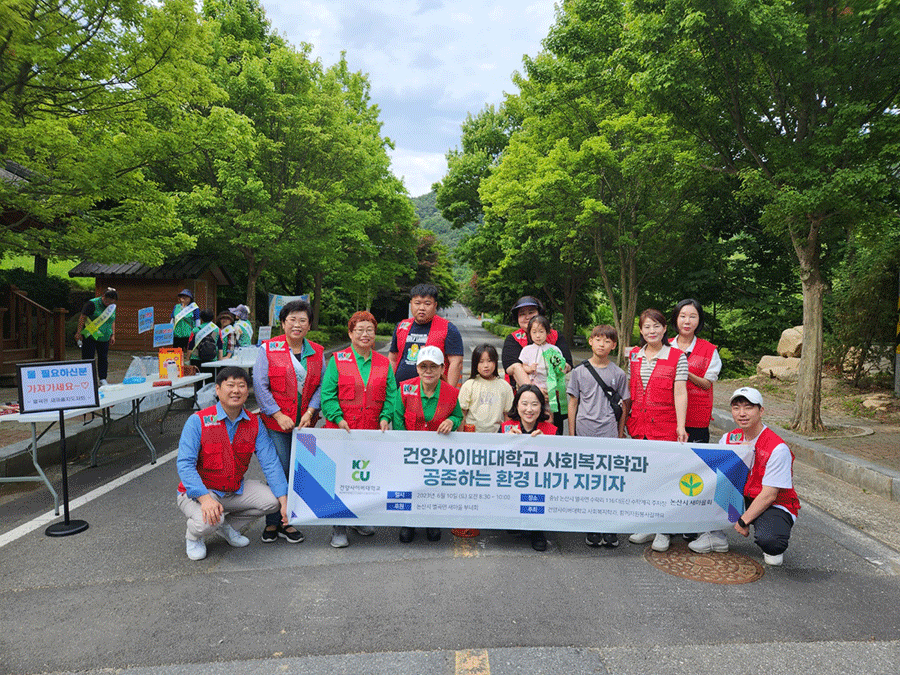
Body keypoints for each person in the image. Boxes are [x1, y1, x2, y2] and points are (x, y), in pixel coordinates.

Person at [175, 367, 289, 561]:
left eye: (241, 386)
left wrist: (284, 502)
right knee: (209, 521)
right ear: (218, 390)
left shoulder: (254, 423)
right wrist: (205, 499)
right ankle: (193, 537)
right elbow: (185, 464)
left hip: (232, 489)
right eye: (230, 385)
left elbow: (270, 462)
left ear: (247, 391)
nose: (236, 390)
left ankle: (226, 527)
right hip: (199, 492)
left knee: (272, 502)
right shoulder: (198, 421)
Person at [688, 387, 800, 566]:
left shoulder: (777, 448)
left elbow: (770, 494)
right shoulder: (728, 439)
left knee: (771, 543)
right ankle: (714, 535)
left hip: (773, 502)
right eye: (736, 408)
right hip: (743, 495)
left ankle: (770, 535)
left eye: (748, 407)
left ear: (761, 411)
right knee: (704, 486)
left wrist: (743, 520)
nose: (742, 414)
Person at [321, 310, 400, 548]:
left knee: (364, 477)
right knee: (341, 478)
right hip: (342, 430)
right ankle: (338, 527)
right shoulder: (337, 360)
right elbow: (327, 396)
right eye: (359, 330)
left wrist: (386, 416)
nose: (365, 335)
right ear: (350, 333)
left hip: (371, 430)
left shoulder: (383, 362)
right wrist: (337, 418)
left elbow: (391, 396)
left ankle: (358, 518)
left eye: (369, 330)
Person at [253, 299, 323, 546]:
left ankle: (289, 519)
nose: (297, 324)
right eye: (292, 320)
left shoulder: (317, 351)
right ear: (282, 323)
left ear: (309, 324)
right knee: (279, 468)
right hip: (276, 424)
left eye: (302, 320)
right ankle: (274, 520)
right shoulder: (268, 349)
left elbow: (321, 386)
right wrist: (277, 414)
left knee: (297, 471)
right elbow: (260, 386)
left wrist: (311, 411)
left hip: (305, 423)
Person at [626, 308, 689, 553]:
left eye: (656, 326)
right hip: (638, 426)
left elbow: (680, 391)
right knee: (643, 477)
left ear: (665, 329)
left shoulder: (676, 356)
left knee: (665, 477)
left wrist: (681, 425)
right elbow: (631, 392)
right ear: (641, 331)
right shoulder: (634, 355)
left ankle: (664, 529)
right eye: (646, 327)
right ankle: (648, 523)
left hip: (665, 425)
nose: (651, 331)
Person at [567, 325, 631, 548]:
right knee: (588, 481)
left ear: (614, 345)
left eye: (607, 341)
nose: (602, 344)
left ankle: (610, 526)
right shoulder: (579, 372)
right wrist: (572, 434)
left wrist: (620, 432)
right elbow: (573, 403)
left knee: (609, 481)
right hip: (584, 430)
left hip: (609, 432)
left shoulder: (618, 374)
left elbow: (624, 404)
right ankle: (592, 525)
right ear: (591, 341)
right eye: (598, 339)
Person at [394, 345, 463, 543]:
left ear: (442, 369)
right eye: (423, 366)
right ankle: (408, 522)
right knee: (410, 486)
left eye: (433, 367)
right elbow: (398, 418)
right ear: (417, 368)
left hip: (437, 454)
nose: (428, 371)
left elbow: (457, 415)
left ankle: (432, 521)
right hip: (410, 452)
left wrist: (452, 421)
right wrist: (405, 446)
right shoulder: (405, 388)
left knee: (434, 487)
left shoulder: (451, 393)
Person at [500, 296, 573, 433]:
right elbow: (514, 367)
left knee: (551, 435)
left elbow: (567, 364)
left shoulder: (556, 337)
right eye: (522, 314)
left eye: (531, 312)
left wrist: (552, 385)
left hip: (552, 396)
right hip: (523, 403)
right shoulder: (513, 339)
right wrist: (536, 394)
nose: (527, 317)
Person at [500, 384, 557, 552]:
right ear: (517, 406)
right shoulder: (506, 428)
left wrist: (546, 443)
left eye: (534, 404)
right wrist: (505, 442)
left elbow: (557, 464)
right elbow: (494, 461)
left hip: (539, 483)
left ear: (541, 407)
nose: (529, 409)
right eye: (524, 403)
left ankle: (537, 530)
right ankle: (513, 518)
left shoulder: (551, 431)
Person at [389, 283, 464, 387]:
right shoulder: (402, 326)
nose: (422, 308)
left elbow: (456, 363)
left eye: (427, 304)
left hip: (432, 394)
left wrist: (448, 394)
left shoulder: (448, 328)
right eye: (417, 303)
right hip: (400, 391)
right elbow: (393, 359)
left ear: (435, 305)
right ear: (411, 304)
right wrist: (389, 387)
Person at [670, 299, 722, 444]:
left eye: (693, 316)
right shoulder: (664, 346)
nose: (687, 321)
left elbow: (706, 384)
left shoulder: (709, 350)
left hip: (696, 418)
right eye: (683, 316)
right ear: (676, 318)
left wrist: (685, 372)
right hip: (667, 416)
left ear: (699, 321)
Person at [518, 314, 568, 420]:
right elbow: (523, 366)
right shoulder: (527, 350)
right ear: (529, 333)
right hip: (534, 387)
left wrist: (559, 369)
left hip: (550, 387)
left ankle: (549, 433)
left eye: (541, 331)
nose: (538, 335)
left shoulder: (554, 349)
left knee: (549, 412)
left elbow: (560, 366)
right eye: (534, 332)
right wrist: (530, 368)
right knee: (532, 411)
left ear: (547, 332)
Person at [458, 344, 514, 433]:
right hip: (472, 435)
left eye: (489, 361)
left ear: (495, 362)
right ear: (475, 364)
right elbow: (462, 413)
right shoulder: (469, 385)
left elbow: (508, 415)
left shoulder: (505, 386)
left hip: (496, 436)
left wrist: (508, 437)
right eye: (481, 361)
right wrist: (461, 435)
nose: (486, 365)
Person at [75, 287, 117, 386]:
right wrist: (79, 332)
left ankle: (102, 378)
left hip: (105, 336)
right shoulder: (92, 304)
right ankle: (87, 379)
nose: (108, 304)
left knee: (103, 358)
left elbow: (112, 320)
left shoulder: (112, 307)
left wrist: (113, 335)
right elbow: (82, 317)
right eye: (107, 301)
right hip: (91, 335)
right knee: (88, 357)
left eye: (111, 302)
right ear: (103, 296)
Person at [171, 289, 200, 354]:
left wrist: (196, 333)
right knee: (176, 354)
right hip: (177, 335)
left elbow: (197, 321)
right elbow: (172, 320)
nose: (183, 298)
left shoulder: (194, 308)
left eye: (186, 296)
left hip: (189, 335)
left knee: (189, 354)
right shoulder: (176, 307)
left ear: (190, 298)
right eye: (182, 296)